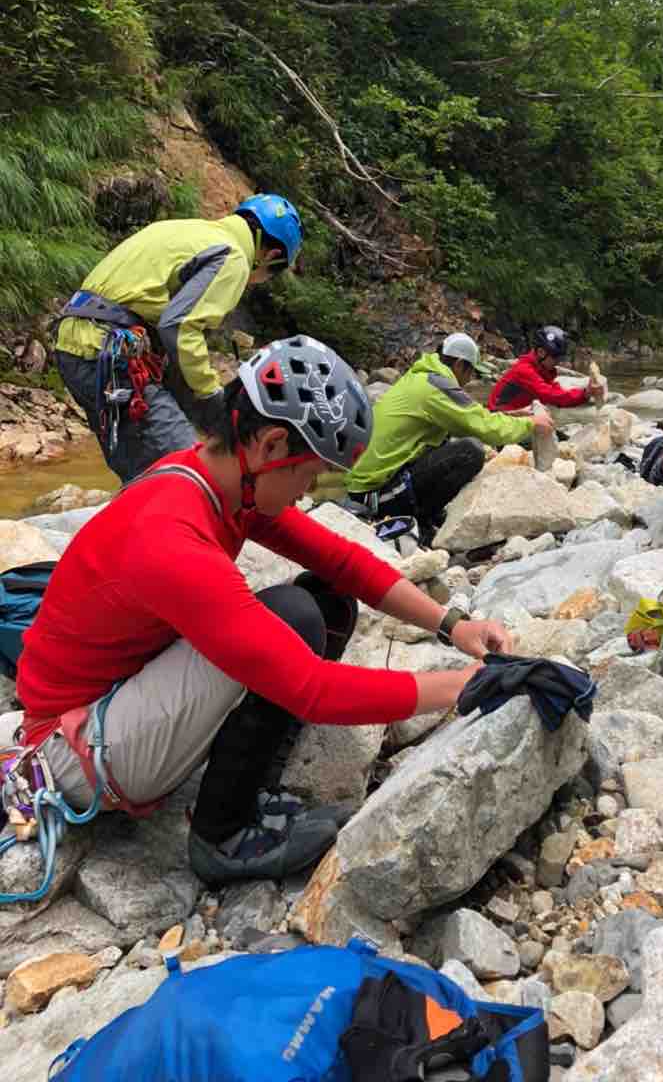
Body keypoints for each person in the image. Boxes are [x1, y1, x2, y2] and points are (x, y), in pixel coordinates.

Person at [16, 336, 515, 885]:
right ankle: (221, 837)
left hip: (115, 698)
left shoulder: (222, 481)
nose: (306, 492)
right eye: (310, 474)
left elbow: (342, 560)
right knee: (294, 618)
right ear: (272, 445)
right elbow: (312, 689)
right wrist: (464, 687)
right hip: (78, 748)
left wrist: (453, 625)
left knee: (326, 600)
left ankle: (252, 784)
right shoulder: (171, 534)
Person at [55, 194, 303, 482]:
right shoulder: (234, 256)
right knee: (189, 472)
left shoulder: (183, 230)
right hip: (111, 355)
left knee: (142, 471)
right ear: (271, 256)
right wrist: (210, 392)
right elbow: (181, 327)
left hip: (76, 347)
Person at [347, 333, 555, 543]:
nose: (470, 379)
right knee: (469, 451)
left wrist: (512, 416)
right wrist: (532, 424)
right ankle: (421, 521)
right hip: (374, 496)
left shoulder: (422, 377)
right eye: (470, 371)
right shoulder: (437, 387)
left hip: (361, 488)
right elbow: (486, 428)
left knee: (448, 439)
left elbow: (467, 416)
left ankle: (425, 512)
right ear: (458, 365)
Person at [487, 326, 604, 414]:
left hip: (517, 413)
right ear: (541, 352)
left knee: (563, 392)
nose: (559, 362)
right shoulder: (525, 370)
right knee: (556, 405)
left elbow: (553, 389)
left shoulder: (541, 367)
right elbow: (550, 395)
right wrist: (585, 394)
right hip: (502, 417)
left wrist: (583, 393)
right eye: (556, 357)